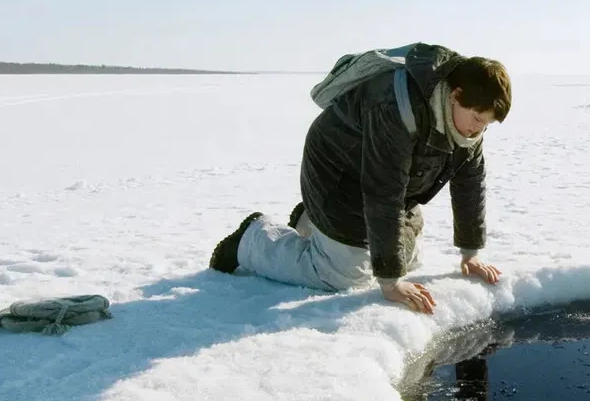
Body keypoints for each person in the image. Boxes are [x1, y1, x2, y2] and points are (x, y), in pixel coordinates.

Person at [208, 42, 511, 314]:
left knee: (408, 257)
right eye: (477, 119)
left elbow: (470, 184)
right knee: (346, 273)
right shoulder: (397, 106)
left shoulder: (466, 125)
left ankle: (311, 222)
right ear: (456, 96)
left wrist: (470, 254)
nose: (479, 129)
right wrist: (390, 283)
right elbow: (384, 191)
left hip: (391, 181)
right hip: (338, 173)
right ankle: (252, 239)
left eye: (487, 124)